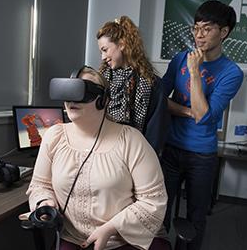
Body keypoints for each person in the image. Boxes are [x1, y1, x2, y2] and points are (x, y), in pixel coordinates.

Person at [21, 67, 170, 250]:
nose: (73, 99)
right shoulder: (54, 136)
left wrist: (110, 228)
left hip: (122, 240)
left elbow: (153, 200)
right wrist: (46, 202)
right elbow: (40, 185)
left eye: (84, 91)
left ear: (104, 100)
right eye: (70, 91)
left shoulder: (131, 140)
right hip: (73, 238)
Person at [160, 0, 244, 250]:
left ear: (224, 32)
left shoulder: (232, 73)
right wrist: (191, 111)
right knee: (159, 209)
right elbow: (161, 100)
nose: (199, 35)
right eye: (196, 28)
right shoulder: (179, 59)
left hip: (202, 155)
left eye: (207, 29)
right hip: (171, 148)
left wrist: (195, 73)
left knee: (196, 217)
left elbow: (205, 117)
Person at [97, 16, 169, 154]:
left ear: (122, 44)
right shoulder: (100, 80)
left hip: (136, 155)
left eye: (105, 50)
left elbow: (155, 135)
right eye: (101, 52)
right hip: (102, 153)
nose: (103, 57)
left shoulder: (152, 84)